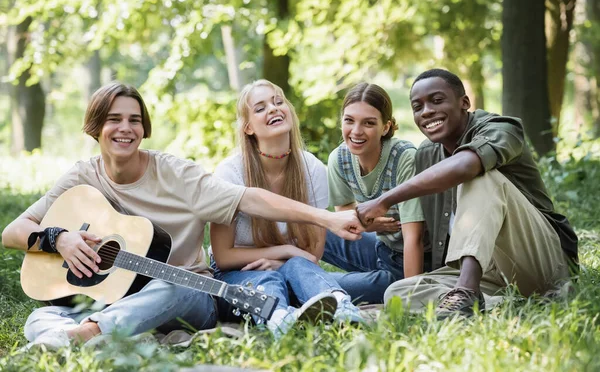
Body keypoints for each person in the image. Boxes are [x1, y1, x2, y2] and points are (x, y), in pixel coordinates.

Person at [1, 82, 363, 348]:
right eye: (114, 119)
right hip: (117, 298)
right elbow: (13, 230)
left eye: (134, 120)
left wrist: (325, 218)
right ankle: (114, 333)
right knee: (39, 318)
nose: (125, 128)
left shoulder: (176, 174)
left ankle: (91, 334)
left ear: (144, 129)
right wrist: (59, 238)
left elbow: (250, 199)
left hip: (189, 295)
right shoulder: (81, 177)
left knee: (173, 283)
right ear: (95, 127)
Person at [356, 69, 578, 319]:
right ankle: (512, 304)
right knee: (398, 293)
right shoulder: (427, 155)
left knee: (482, 175)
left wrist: (385, 200)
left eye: (437, 100)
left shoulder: (502, 128)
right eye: (417, 107)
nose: (426, 111)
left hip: (540, 259)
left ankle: (467, 292)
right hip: (491, 273)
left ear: (464, 103)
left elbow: (466, 166)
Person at [210, 79, 364, 339]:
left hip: (296, 267)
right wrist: (287, 250)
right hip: (238, 274)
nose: (273, 109)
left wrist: (283, 261)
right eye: (260, 108)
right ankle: (281, 320)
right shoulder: (231, 172)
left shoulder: (312, 169)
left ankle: (342, 309)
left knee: (299, 268)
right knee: (269, 281)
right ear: (247, 127)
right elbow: (223, 256)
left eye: (278, 102)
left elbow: (312, 254)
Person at [322, 82, 429, 303]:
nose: (356, 131)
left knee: (322, 289)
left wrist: (410, 296)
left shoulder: (404, 157)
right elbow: (345, 218)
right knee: (309, 227)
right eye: (349, 120)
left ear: (386, 127)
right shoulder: (339, 159)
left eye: (369, 123)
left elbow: (414, 238)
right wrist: (373, 225)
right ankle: (278, 266)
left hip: (411, 264)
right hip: (381, 247)